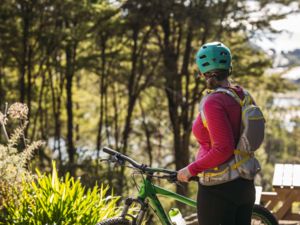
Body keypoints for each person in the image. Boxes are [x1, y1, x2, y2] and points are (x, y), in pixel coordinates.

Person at [177, 42, 256, 225]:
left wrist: (190, 169)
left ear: (202, 72)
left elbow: (223, 148)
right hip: (245, 184)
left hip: (219, 188)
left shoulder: (213, 102)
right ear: (229, 68)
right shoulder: (243, 95)